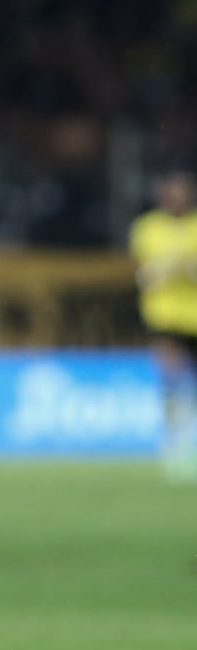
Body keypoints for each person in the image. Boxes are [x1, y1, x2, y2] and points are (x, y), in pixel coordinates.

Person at [129, 170, 197, 481]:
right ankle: (175, 443)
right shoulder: (148, 227)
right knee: (171, 378)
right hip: (164, 315)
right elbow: (144, 273)